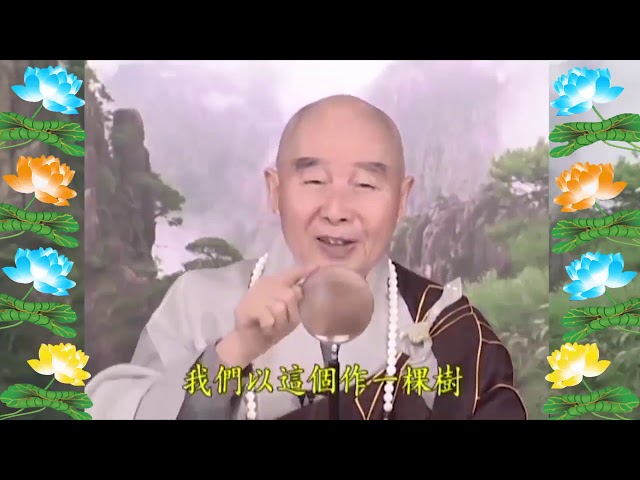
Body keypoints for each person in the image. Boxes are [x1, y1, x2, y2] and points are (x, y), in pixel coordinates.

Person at [85, 94, 527, 420]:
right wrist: (234, 352)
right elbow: (116, 408)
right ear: (275, 190)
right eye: (314, 181)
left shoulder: (445, 322)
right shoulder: (197, 301)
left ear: (402, 198)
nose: (336, 210)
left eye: (365, 185)